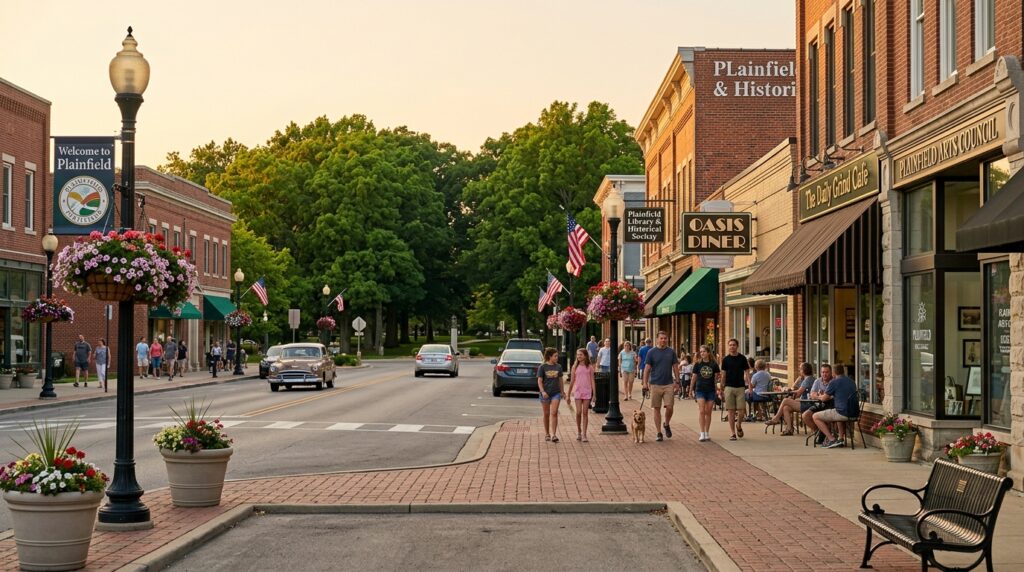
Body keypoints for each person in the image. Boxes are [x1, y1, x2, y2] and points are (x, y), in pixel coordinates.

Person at [641, 331, 680, 442]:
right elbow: (647, 369)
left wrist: (677, 382)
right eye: (661, 338)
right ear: (657, 339)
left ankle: (666, 424)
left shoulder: (671, 352)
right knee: (656, 409)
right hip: (655, 384)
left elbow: (676, 367)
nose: (663, 340)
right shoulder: (651, 352)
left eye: (665, 338)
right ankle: (658, 432)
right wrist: (645, 383)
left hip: (668, 384)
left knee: (670, 407)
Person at [814, 364, 860, 448]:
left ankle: (831, 439)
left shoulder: (834, 382)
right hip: (855, 413)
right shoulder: (852, 381)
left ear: (833, 373)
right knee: (838, 411)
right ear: (843, 371)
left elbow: (824, 398)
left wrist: (817, 397)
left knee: (815, 416)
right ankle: (841, 438)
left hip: (843, 413)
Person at [765, 362, 815, 435]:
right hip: (805, 402)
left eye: (800, 369)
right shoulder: (808, 379)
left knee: (785, 400)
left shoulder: (807, 380)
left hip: (807, 403)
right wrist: (796, 383)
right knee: (786, 408)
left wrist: (789, 391)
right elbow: (795, 389)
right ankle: (789, 429)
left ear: (803, 371)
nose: (799, 371)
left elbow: (798, 394)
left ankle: (776, 418)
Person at [720, 338, 750, 441]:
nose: (732, 346)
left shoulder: (742, 358)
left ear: (737, 346)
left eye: (734, 345)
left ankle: (739, 425)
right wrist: (721, 388)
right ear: (728, 347)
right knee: (731, 411)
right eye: (730, 345)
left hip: (740, 386)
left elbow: (747, 372)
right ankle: (733, 433)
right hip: (729, 387)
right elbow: (723, 375)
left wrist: (749, 385)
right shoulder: (725, 359)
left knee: (741, 410)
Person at [689, 345, 720, 442]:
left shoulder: (714, 364)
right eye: (701, 352)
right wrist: (690, 389)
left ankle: (707, 432)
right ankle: (702, 433)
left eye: (704, 351)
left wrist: (718, 389)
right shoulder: (697, 364)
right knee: (702, 411)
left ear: (708, 352)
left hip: (710, 390)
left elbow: (716, 378)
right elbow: (694, 377)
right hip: (700, 389)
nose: (702, 353)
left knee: (708, 412)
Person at [536, 347, 564, 443]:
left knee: (554, 412)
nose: (557, 357)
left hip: (556, 393)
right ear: (549, 356)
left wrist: (562, 391)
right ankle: (547, 433)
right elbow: (539, 381)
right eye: (555, 356)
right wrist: (543, 391)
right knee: (546, 414)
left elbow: (560, 380)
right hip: (545, 394)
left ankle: (554, 435)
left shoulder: (558, 367)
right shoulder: (542, 367)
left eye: (557, 356)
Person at [800, 364, 835, 440]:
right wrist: (820, 397)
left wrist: (820, 396)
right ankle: (819, 432)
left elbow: (829, 397)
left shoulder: (834, 382)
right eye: (822, 372)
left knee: (823, 418)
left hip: (831, 405)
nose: (824, 374)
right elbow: (812, 394)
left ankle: (825, 435)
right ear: (820, 373)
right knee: (805, 415)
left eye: (826, 372)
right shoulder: (817, 381)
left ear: (831, 372)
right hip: (819, 404)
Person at [568, 348, 595, 442]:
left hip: (587, 392)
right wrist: (568, 394)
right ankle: (579, 431)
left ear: (585, 355)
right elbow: (571, 381)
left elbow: (592, 380)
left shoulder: (590, 367)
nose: (579, 356)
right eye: (577, 355)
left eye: (580, 355)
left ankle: (584, 434)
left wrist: (594, 394)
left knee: (585, 413)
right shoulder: (574, 367)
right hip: (578, 391)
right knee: (578, 412)